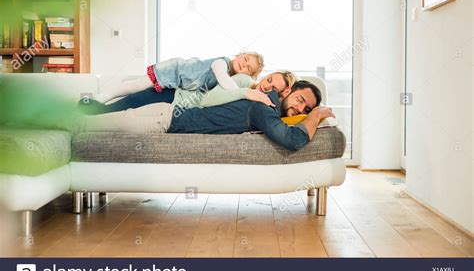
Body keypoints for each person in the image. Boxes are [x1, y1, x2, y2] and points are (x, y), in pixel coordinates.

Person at [77, 80, 335, 151]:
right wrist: (316, 116)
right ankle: (43, 118)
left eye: (306, 110)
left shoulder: (271, 110)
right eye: (300, 101)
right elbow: (291, 140)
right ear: (288, 91)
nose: (300, 110)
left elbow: (289, 128)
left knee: (87, 126)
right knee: (85, 125)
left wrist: (308, 115)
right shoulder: (263, 106)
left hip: (164, 119)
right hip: (162, 118)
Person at [79, 71, 297, 115]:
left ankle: (97, 112)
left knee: (134, 105)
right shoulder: (243, 82)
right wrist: (245, 93)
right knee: (135, 100)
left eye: (274, 88)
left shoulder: (257, 100)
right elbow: (210, 99)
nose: (267, 86)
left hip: (179, 103)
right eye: (269, 80)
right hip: (176, 94)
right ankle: (96, 111)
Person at [93, 52, 264, 104]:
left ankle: (107, 98)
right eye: (245, 59)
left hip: (178, 84)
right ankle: (104, 96)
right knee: (138, 85)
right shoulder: (221, 64)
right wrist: (242, 91)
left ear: (248, 75)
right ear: (240, 55)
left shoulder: (229, 77)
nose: (244, 64)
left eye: (249, 68)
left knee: (142, 91)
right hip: (175, 71)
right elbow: (222, 77)